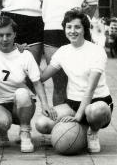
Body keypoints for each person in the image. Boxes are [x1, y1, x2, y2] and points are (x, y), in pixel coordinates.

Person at [35, 9, 113, 154]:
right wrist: (25, 56)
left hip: (98, 102)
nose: (72, 31)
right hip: (73, 104)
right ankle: (81, 130)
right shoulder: (63, 51)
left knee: (94, 111)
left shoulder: (96, 51)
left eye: (77, 27)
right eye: (69, 27)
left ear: (84, 29)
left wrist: (77, 117)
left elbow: (90, 89)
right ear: (65, 29)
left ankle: (93, 132)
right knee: (41, 124)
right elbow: (42, 77)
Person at [0, 16, 56, 152]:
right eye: (0, 35)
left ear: (15, 35)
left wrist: (45, 104)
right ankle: (1, 131)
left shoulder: (24, 54)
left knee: (22, 93)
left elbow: (37, 83)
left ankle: (25, 132)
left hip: (22, 103)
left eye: (8, 35)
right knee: (2, 122)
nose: (5, 39)